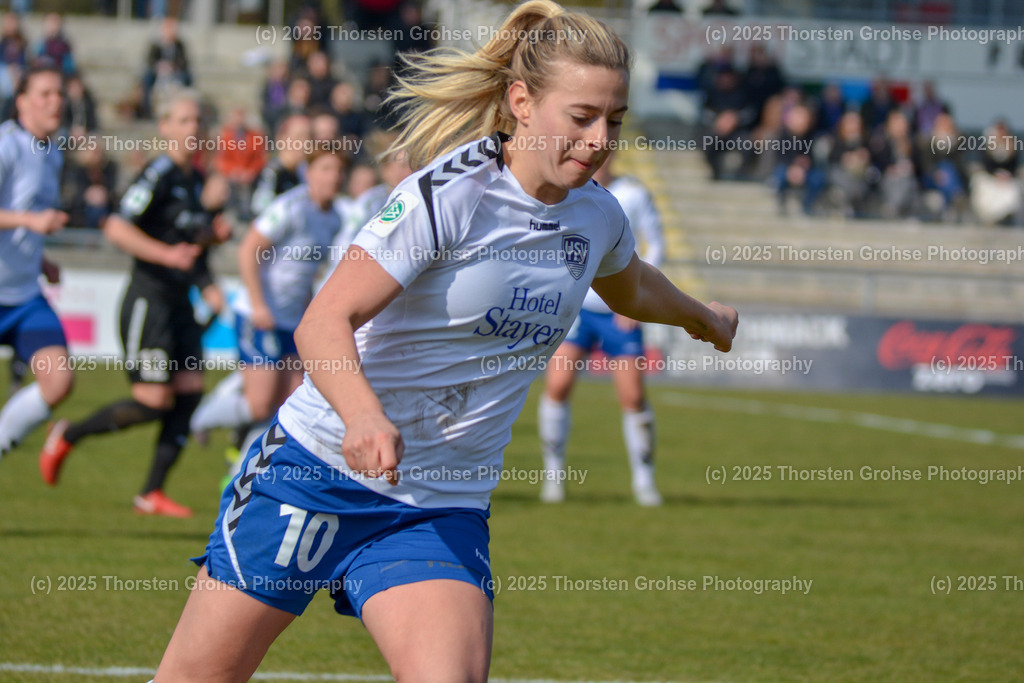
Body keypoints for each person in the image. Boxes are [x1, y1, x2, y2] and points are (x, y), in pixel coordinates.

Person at [151, 2, 737, 680]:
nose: (600, 137)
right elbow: (322, 322)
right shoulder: (451, 194)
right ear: (521, 100)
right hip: (314, 475)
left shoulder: (596, 214)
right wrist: (364, 413)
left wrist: (701, 316)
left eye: (615, 120)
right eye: (582, 117)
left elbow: (630, 285)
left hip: (438, 503)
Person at [39, 89, 231, 517]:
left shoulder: (195, 180)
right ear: (164, 127)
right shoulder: (158, 173)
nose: (193, 129)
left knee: (190, 392)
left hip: (180, 298)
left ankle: (151, 493)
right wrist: (167, 256)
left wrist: (210, 254)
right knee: (152, 401)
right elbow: (115, 227)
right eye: (182, 121)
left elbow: (185, 241)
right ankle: (68, 433)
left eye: (197, 121)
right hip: (150, 300)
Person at [189, 148, 347, 480]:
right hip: (258, 315)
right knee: (260, 404)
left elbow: (306, 272)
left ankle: (238, 474)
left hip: (291, 319)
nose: (332, 176)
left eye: (337, 170)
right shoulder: (290, 207)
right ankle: (200, 417)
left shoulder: (334, 218)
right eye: (325, 168)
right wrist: (260, 305)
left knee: (288, 404)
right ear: (309, 173)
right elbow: (249, 250)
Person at [538, 153, 665, 506]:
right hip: (577, 309)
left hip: (618, 313)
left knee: (633, 396)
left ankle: (644, 481)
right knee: (558, 386)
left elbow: (656, 244)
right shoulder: (567, 192)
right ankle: (553, 477)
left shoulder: (633, 194)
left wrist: (634, 297)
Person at [0, 64, 72, 461]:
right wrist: (32, 222)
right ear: (22, 100)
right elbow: (25, 215)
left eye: (59, 93)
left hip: (25, 295)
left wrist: (41, 259)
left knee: (59, 381)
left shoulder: (52, 154)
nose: (55, 101)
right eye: (44, 93)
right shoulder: (6, 145)